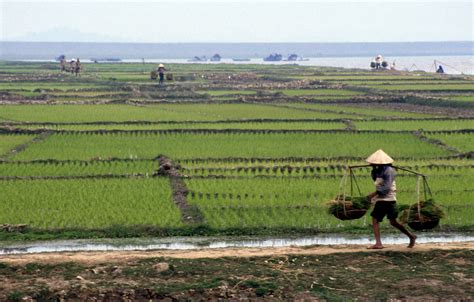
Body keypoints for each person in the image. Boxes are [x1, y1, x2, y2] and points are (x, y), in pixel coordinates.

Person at [366, 149, 416, 249]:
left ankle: (378, 243)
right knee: (393, 222)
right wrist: (374, 169)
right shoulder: (377, 170)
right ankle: (411, 236)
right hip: (383, 199)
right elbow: (376, 180)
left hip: (387, 199)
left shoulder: (389, 171)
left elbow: (386, 187)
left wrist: (372, 194)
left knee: (375, 219)